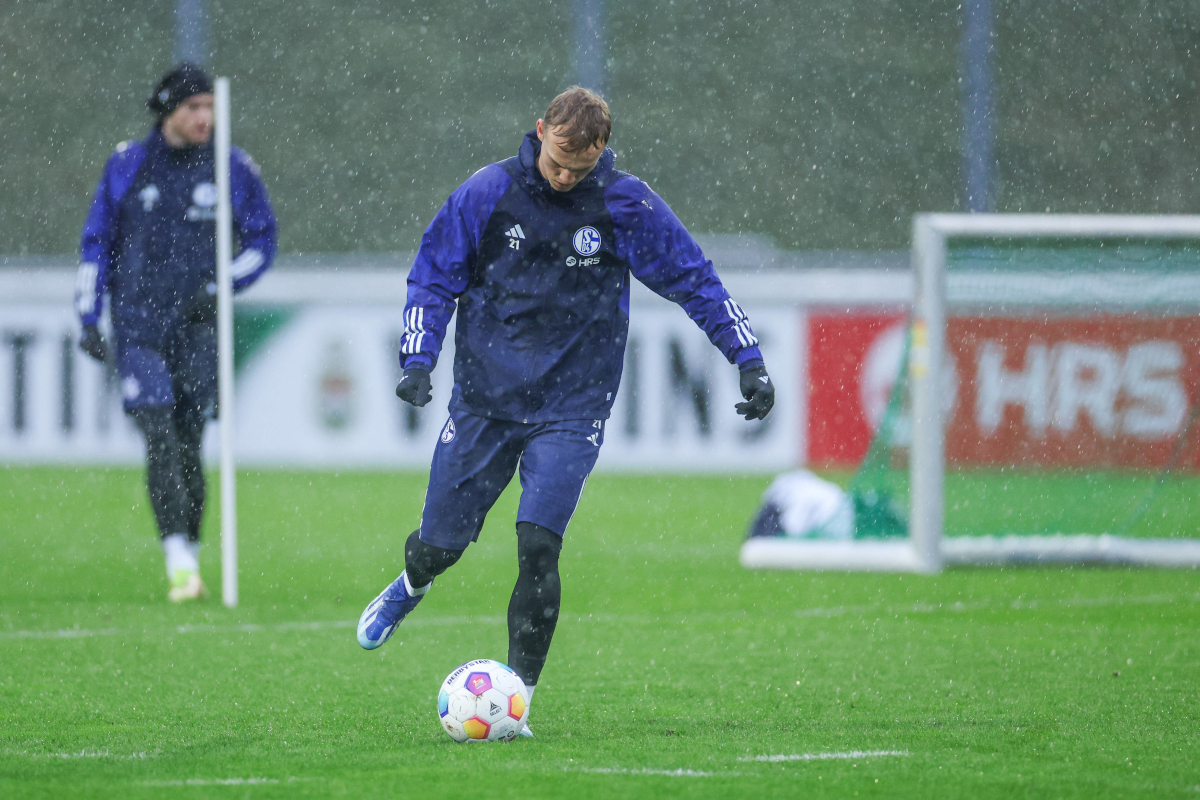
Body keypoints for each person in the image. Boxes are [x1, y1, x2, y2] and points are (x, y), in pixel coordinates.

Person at [356, 87, 774, 735]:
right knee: (439, 547)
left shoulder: (625, 204)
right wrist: (418, 358)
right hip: (486, 399)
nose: (563, 177)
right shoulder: (488, 192)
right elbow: (433, 274)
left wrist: (747, 358)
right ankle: (412, 584)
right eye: (556, 162)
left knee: (539, 546)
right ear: (540, 130)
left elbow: (695, 279)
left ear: (601, 152)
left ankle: (517, 702)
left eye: (579, 168)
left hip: (573, 404)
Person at [74, 63, 276, 602]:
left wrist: (221, 284)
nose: (205, 117)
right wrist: (88, 316)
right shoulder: (128, 163)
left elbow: (263, 240)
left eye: (210, 107)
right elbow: (96, 242)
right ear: (168, 110)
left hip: (200, 330)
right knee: (158, 432)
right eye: (194, 108)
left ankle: (190, 551)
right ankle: (179, 561)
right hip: (139, 327)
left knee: (189, 441)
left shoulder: (232, 166)